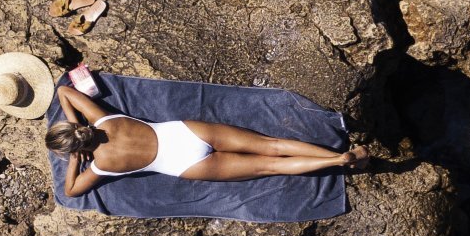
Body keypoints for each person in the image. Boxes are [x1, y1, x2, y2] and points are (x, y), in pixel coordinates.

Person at [46, 81, 363, 197]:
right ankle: (337, 153)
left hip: (184, 163)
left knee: (271, 166)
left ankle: (338, 161)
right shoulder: (104, 120)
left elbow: (70, 191)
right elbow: (64, 92)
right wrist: (75, 122)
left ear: (75, 149)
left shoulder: (102, 165)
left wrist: (75, 161)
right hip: (186, 132)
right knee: (272, 145)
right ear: (76, 131)